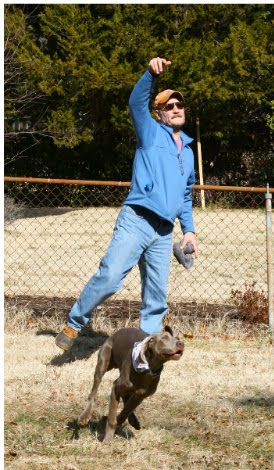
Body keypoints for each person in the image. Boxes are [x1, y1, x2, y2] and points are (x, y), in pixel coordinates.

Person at [55, 57, 199, 351]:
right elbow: (136, 103)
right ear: (159, 113)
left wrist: (189, 230)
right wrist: (149, 74)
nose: (175, 109)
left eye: (179, 105)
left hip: (163, 232)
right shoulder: (149, 132)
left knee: (156, 300)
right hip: (137, 220)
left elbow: (185, 194)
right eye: (168, 106)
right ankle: (74, 323)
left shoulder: (188, 149)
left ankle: (141, 356)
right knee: (110, 278)